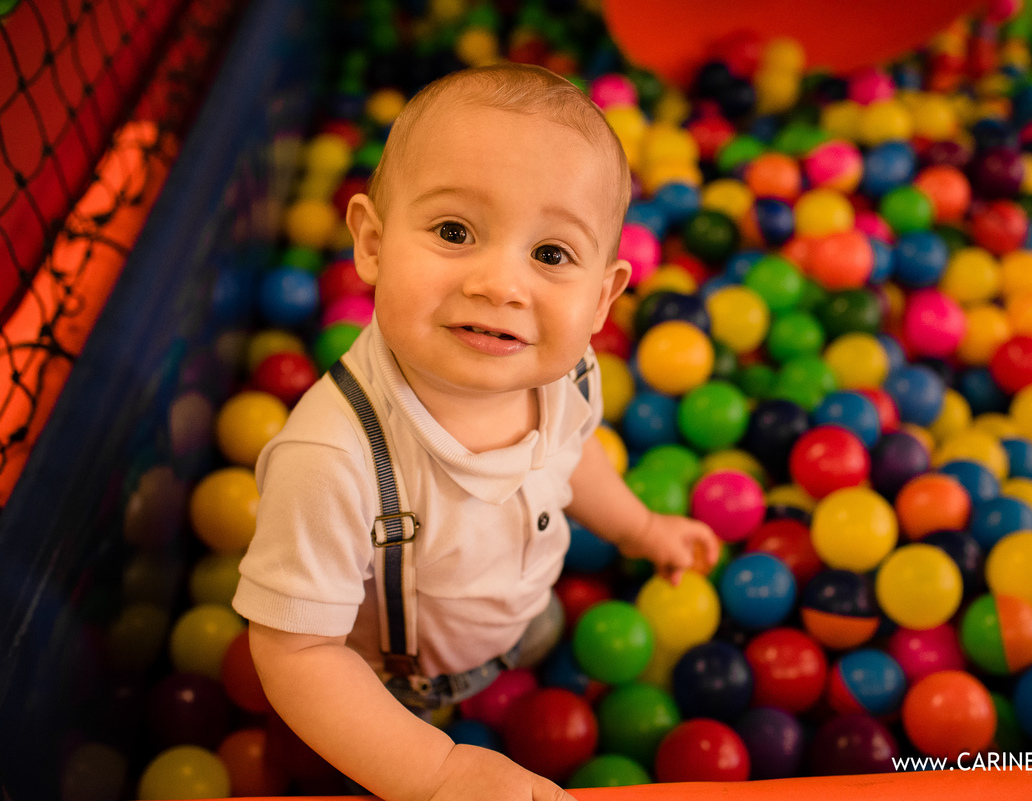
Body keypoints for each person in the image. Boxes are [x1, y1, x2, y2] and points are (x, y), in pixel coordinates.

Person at [233, 63, 721, 801]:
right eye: (454, 230)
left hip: (518, 616)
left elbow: (571, 457)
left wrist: (641, 527)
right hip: (391, 689)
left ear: (601, 297)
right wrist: (437, 769)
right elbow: (296, 650)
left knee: (551, 633)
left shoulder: (569, 373)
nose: (500, 282)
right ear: (370, 241)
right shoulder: (333, 458)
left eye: (550, 254)